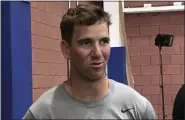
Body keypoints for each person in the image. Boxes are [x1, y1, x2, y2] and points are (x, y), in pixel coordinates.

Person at [23, 4, 157, 119]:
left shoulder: (137, 107)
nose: (97, 53)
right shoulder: (42, 113)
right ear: (66, 49)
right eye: (86, 43)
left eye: (104, 41)